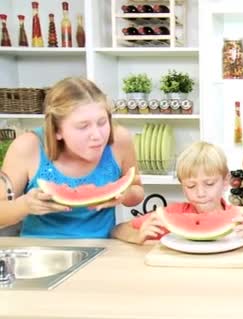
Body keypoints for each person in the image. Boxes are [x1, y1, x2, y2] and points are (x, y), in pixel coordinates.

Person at [0, 77, 144, 238]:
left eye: (102, 122)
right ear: (57, 130)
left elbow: (137, 192)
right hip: (39, 252)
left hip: (102, 251)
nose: (97, 135)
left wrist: (125, 194)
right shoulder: (27, 147)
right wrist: (24, 206)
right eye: (83, 126)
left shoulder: (120, 140)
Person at [112, 141, 243, 245]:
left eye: (209, 183)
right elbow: (117, 229)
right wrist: (137, 236)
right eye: (191, 186)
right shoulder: (170, 215)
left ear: (226, 181)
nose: (201, 193)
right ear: (182, 186)